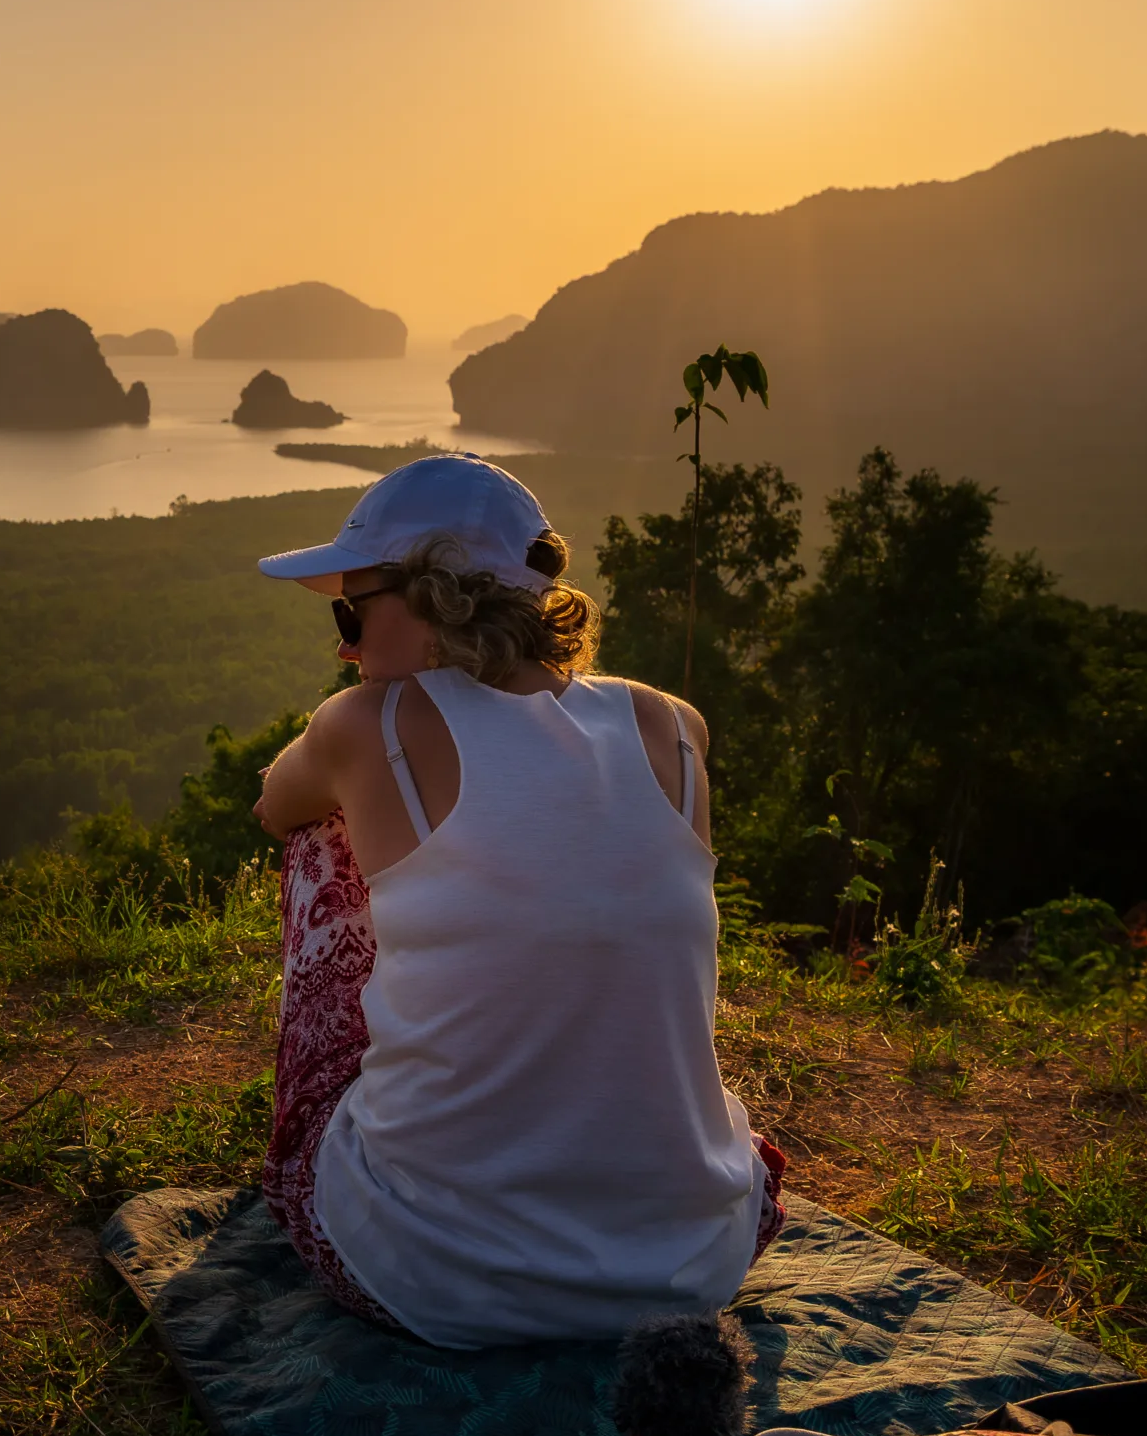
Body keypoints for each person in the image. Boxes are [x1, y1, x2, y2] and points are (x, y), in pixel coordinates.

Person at [249, 453, 785, 1348]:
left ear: (428, 598)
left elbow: (273, 805)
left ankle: (418, 1161)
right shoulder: (675, 726)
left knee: (322, 836)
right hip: (691, 1264)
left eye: (351, 612)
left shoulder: (366, 724)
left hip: (431, 1269)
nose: (344, 648)